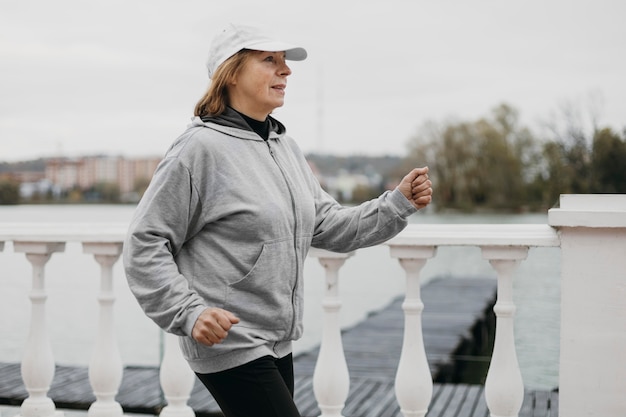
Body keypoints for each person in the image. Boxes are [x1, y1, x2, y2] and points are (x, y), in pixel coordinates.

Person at [123, 23, 433, 417]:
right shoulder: (198, 149)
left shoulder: (285, 147)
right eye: (269, 61)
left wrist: (397, 203)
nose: (286, 71)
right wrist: (189, 312)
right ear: (231, 72)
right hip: (229, 340)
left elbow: (326, 224)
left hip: (276, 340)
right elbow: (145, 242)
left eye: (285, 63)